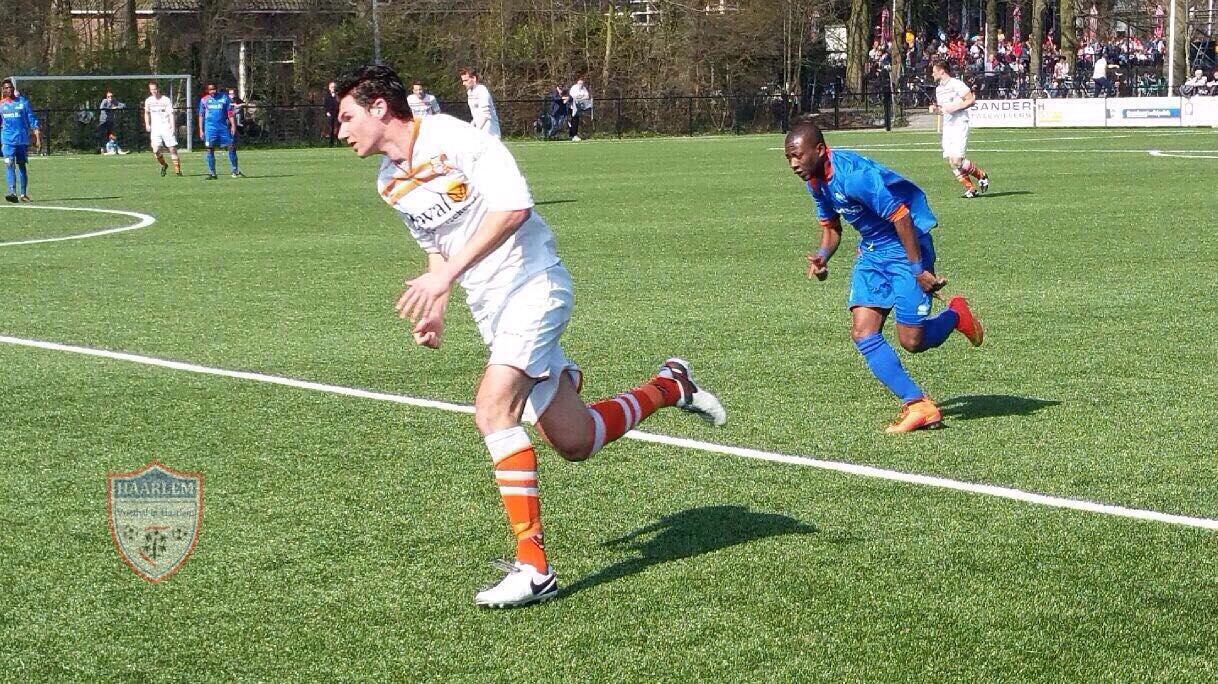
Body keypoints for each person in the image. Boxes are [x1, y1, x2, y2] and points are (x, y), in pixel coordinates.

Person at [333, 64, 725, 608]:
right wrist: (437, 302)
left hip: (534, 285)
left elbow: (515, 207)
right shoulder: (387, 183)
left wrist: (446, 275)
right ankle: (668, 384)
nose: (340, 129)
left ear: (380, 108)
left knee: (493, 410)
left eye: (347, 115)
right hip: (492, 311)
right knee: (575, 439)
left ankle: (534, 568)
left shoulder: (456, 136)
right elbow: (437, 245)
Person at [784, 117, 984, 433]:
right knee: (862, 332)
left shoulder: (854, 178)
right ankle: (918, 405)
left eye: (798, 155)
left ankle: (956, 316)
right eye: (788, 158)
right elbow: (832, 228)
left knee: (912, 341)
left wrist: (918, 270)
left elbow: (902, 217)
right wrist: (822, 256)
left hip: (907, 247)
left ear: (820, 150)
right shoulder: (814, 181)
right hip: (872, 252)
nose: (793, 163)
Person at [929, 60, 989, 198]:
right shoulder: (939, 89)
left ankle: (982, 175)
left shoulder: (956, 84)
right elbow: (944, 109)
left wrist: (954, 107)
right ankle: (971, 189)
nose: (932, 74)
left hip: (959, 123)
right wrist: (936, 109)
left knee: (957, 160)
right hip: (948, 126)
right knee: (952, 162)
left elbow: (970, 99)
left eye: (934, 71)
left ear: (942, 71)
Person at [1, 79, 40, 202]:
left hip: (21, 140)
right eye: (6, 88)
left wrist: (37, 137)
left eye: (10, 87)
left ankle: (23, 193)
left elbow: (32, 120)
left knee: (21, 166)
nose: (9, 90)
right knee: (9, 164)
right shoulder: (1, 105)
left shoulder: (22, 103)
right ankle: (11, 192)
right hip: (7, 140)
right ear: (3, 90)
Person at [197, 83, 243, 179]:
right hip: (210, 129)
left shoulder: (224, 98)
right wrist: (201, 130)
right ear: (207, 91)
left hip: (223, 128)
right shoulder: (204, 100)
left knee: (231, 147)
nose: (212, 91)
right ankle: (212, 173)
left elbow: (229, 113)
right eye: (210, 90)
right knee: (209, 149)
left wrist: (233, 125)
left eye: (213, 89)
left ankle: (235, 171)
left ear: (216, 89)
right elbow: (201, 115)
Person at [144, 81, 182, 177]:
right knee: (156, 150)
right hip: (155, 129)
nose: (154, 91)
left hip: (166, 127)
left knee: (172, 148)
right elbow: (146, 113)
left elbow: (171, 114)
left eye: (155, 89)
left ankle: (177, 171)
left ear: (158, 89)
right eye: (152, 90)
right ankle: (164, 165)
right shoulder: (148, 101)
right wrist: (147, 124)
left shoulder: (166, 100)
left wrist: (172, 127)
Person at [459, 67, 500, 138]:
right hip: (480, 132)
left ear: (474, 78)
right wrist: (472, 125)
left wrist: (477, 131)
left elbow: (486, 115)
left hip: (491, 133)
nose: (463, 83)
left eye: (466, 80)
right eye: (463, 81)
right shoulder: (470, 92)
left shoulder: (482, 91)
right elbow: (477, 113)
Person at [323, 81, 339, 145]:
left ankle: (338, 142)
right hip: (330, 114)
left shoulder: (337, 96)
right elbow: (325, 105)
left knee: (337, 128)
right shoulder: (327, 96)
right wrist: (327, 112)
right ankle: (331, 142)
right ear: (329, 88)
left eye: (334, 87)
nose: (333, 88)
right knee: (331, 128)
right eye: (332, 87)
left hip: (337, 113)